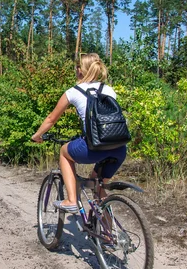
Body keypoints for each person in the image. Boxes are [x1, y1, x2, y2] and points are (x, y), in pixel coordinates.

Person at [31, 53, 127, 213]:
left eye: (77, 66)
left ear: (82, 70)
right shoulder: (109, 89)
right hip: (119, 147)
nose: (75, 69)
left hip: (94, 147)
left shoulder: (73, 91)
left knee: (64, 152)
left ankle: (71, 200)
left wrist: (37, 135)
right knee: (97, 184)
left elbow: (51, 119)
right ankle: (111, 234)